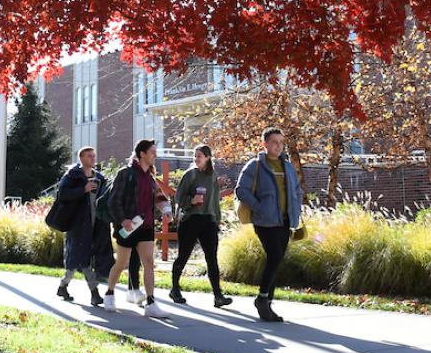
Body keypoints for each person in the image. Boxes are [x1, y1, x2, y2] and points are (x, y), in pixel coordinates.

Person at [235, 128, 302, 322]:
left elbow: (297, 190)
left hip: (285, 220)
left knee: (277, 258)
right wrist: (259, 207)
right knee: (274, 256)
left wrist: (296, 208)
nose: (279, 146)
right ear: (265, 144)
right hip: (265, 221)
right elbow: (241, 190)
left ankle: (267, 303)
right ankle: (262, 298)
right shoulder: (255, 165)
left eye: (281, 142)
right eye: (274, 142)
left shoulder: (288, 167)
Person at [104, 139, 173, 318]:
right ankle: (110, 293)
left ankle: (151, 303)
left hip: (146, 226)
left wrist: (166, 209)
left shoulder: (150, 177)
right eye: (152, 152)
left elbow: (159, 196)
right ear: (142, 154)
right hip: (128, 227)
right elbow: (114, 201)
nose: (155, 155)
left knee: (148, 263)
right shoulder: (125, 173)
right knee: (121, 263)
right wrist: (123, 219)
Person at [170, 145, 233, 308]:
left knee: (211, 258)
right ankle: (175, 289)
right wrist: (191, 200)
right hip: (191, 219)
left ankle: (218, 296)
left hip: (208, 221)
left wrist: (217, 219)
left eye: (199, 156)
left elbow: (215, 201)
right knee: (183, 256)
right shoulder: (190, 175)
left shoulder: (212, 175)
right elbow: (178, 197)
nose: (196, 158)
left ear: (208, 158)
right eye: (195, 155)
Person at [56, 146, 113, 306]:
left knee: (78, 260)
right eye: (89, 156)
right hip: (78, 225)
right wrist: (83, 189)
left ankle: (63, 286)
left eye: (94, 156)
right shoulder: (72, 176)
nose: (93, 159)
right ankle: (94, 294)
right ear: (81, 158)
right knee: (83, 258)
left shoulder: (100, 177)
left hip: (97, 225)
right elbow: (63, 195)